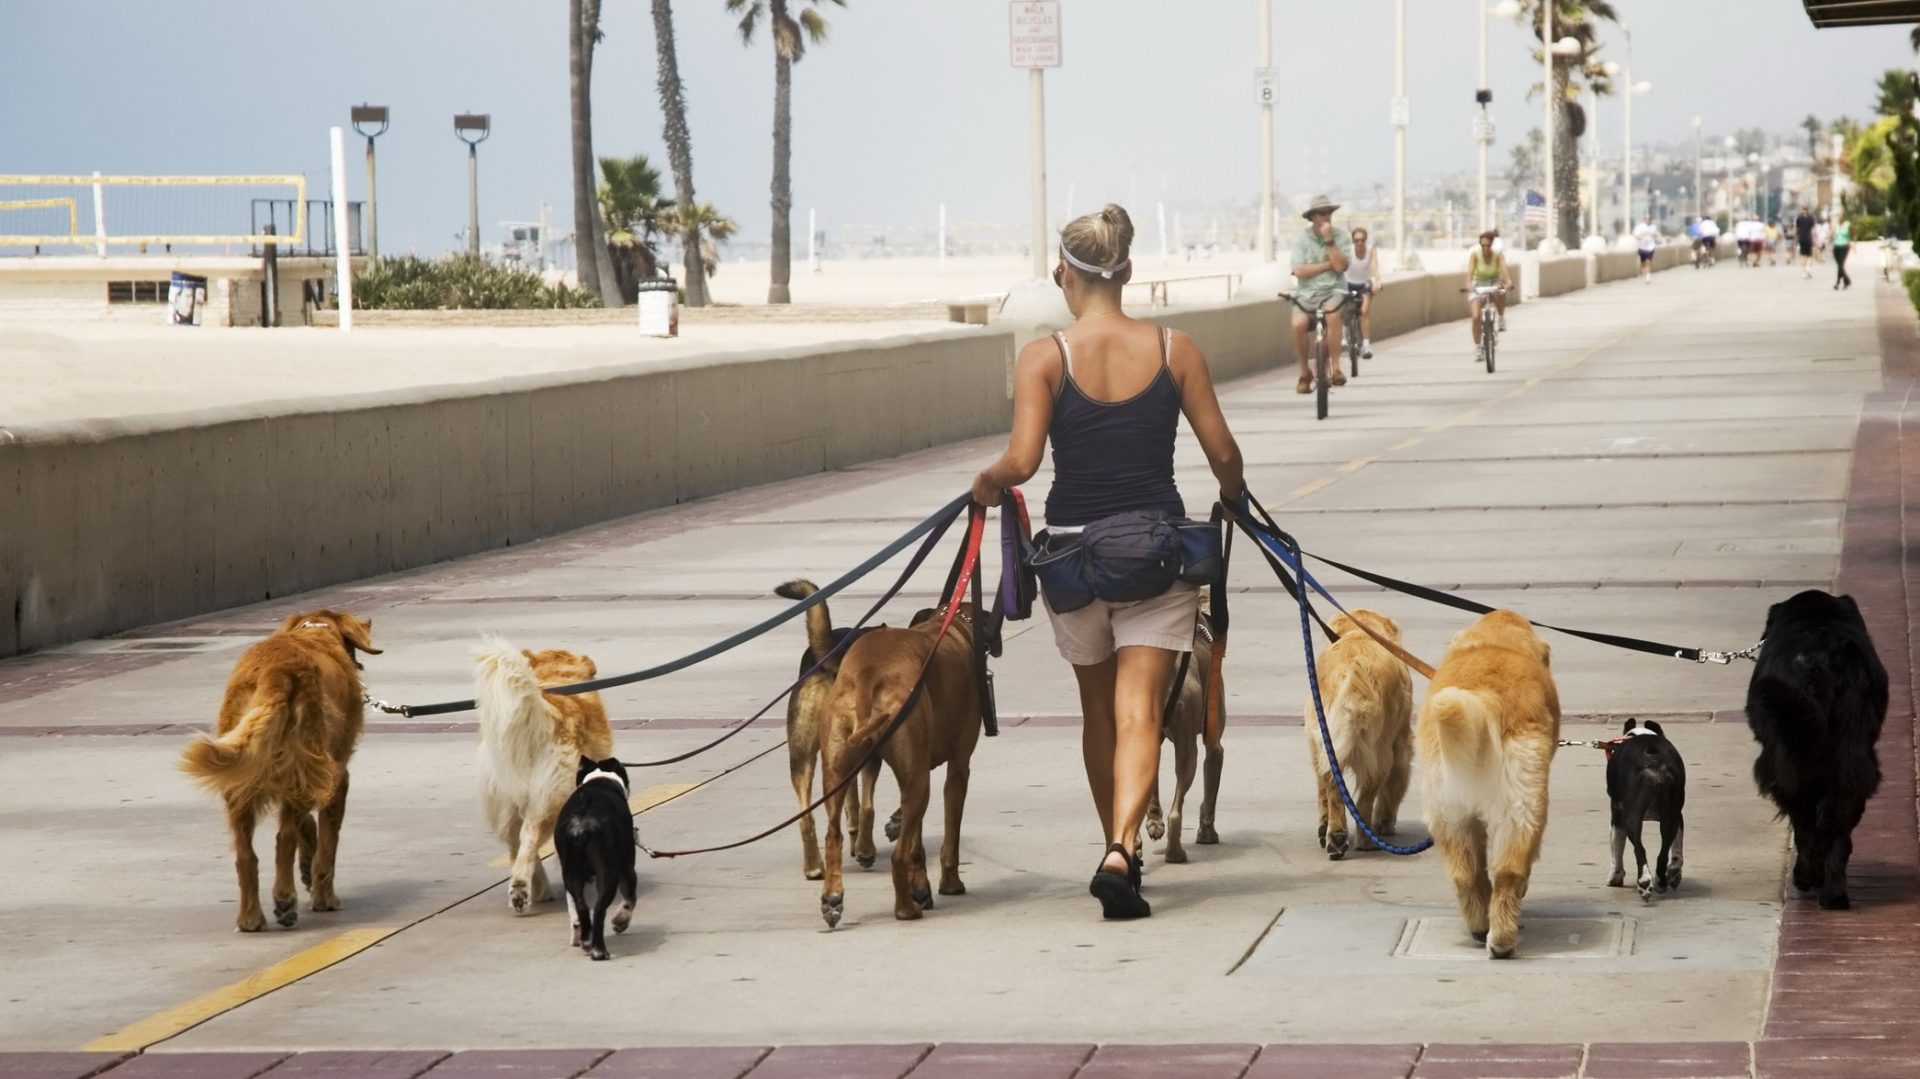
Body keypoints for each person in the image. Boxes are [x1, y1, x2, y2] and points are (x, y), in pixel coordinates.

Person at [971, 204, 1245, 921]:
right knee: (1138, 714)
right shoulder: (1176, 348)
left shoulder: (1043, 357)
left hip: (1072, 561)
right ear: (1125, 272)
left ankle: (1114, 847)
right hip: (1155, 553)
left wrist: (988, 481)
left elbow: (1024, 461)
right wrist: (1234, 497)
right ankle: (1124, 849)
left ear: (1067, 274)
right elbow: (1222, 452)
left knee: (1098, 713)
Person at [1289, 195, 1352, 394]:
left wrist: (1329, 241)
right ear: (1312, 217)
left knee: (1332, 314)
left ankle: (1335, 367)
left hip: (1334, 289)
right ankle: (1304, 371)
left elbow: (1341, 266)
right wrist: (1327, 265)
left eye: (1329, 213)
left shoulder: (1341, 236)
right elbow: (1299, 271)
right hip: (1307, 293)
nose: (1326, 217)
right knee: (1298, 324)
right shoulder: (1302, 239)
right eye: (1321, 213)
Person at [1467, 229, 1511, 355]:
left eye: (1488, 245)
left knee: (1500, 291)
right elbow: (1470, 271)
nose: (1485, 248)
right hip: (1479, 283)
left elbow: (1503, 269)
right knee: (1476, 317)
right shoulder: (1475, 254)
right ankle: (1478, 346)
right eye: (1483, 245)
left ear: (1492, 244)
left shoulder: (1497, 254)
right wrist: (1469, 285)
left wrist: (1508, 282)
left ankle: (1501, 317)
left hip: (1493, 281)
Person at [1345, 225, 1381, 360]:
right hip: (1348, 283)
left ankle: (1366, 344)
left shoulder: (1371, 250)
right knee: (1344, 309)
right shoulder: (1347, 251)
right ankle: (1345, 333)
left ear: (1366, 240)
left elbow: (1374, 267)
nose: (1360, 243)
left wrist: (1378, 282)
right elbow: (1341, 266)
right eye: (1356, 240)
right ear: (1352, 241)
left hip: (1364, 283)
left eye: (1362, 240)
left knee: (1364, 312)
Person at [1632, 214, 1660, 283]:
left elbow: (1656, 235)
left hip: (1650, 247)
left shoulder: (1654, 227)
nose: (1648, 220)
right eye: (1646, 219)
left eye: (1649, 219)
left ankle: (1648, 277)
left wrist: (1655, 238)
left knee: (1648, 262)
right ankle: (1642, 271)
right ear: (1644, 220)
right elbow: (1635, 235)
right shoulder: (1640, 226)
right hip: (1642, 247)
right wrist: (1642, 238)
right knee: (1643, 262)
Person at [1833, 213, 1853, 290]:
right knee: (1839, 265)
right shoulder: (1836, 225)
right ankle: (1846, 281)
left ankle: (1838, 283)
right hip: (1836, 246)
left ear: (1844, 217)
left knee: (1841, 265)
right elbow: (1833, 235)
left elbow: (1854, 233)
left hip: (1844, 246)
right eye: (1838, 216)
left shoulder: (1847, 224)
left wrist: (1852, 242)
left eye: (1840, 216)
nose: (1839, 218)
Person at [1795, 207, 1816, 278]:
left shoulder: (1799, 218)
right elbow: (1813, 228)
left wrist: (1796, 238)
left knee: (1803, 255)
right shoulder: (1811, 218)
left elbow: (1797, 228)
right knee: (1809, 255)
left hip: (1801, 238)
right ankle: (1808, 268)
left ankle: (1804, 270)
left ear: (1802, 210)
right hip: (1808, 238)